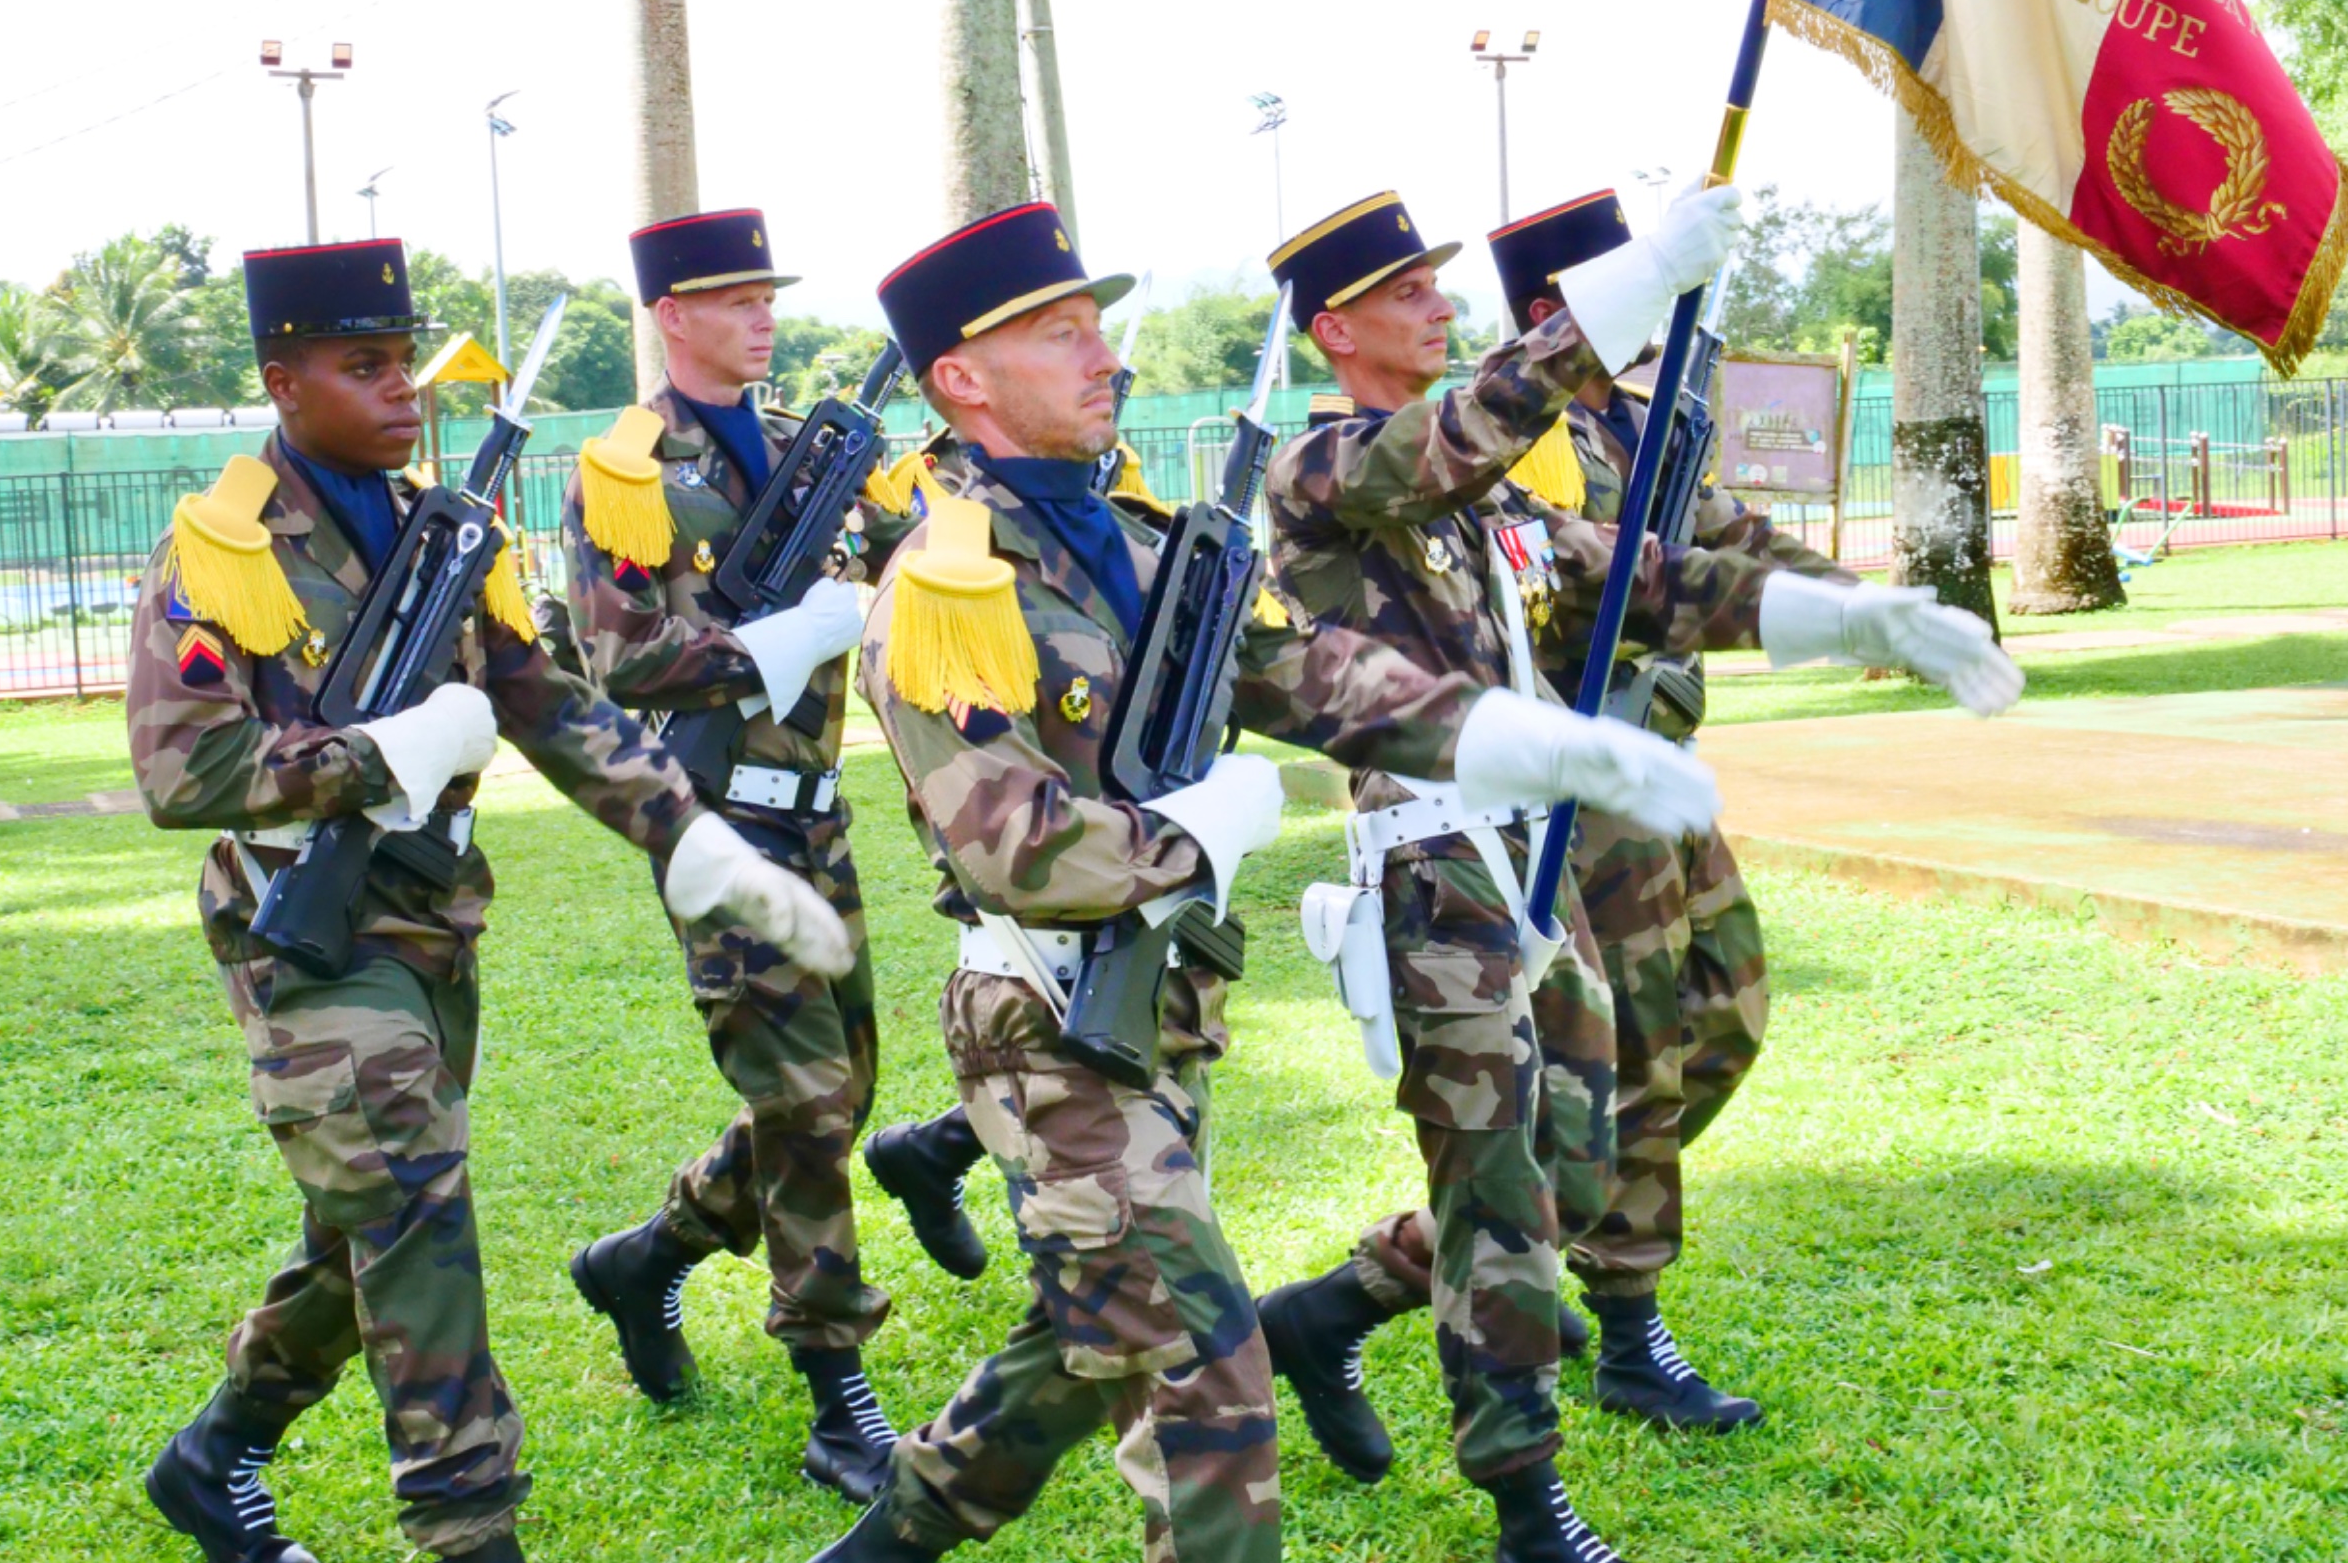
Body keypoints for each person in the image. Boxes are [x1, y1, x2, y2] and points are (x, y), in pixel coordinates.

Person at [808, 202, 1719, 1563]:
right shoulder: (947, 585)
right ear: (961, 378)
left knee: (1091, 1333)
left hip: (1164, 1007)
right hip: (1047, 1020)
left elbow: (1322, 678)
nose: (1104, 355)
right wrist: (1202, 833)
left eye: (1097, 326)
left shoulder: (1143, 541)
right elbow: (1014, 847)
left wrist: (1517, 736)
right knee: (1205, 1377)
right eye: (1058, 335)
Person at [1252, 190, 2021, 1562]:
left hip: (1533, 859)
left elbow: (1644, 580)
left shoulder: (1491, 506)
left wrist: (1854, 617)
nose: (1438, 303)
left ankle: (1327, 1314)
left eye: (1437, 283)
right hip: (1436, 871)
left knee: (1574, 1150)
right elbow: (1465, 428)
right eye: (1407, 290)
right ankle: (1527, 1505)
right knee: (1502, 1182)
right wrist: (1630, 288)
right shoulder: (1328, 471)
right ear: (1336, 329)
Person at [130, 238, 847, 1563]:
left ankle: (218, 1450)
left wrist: (691, 837)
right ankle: (468, 1528)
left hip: (431, 919)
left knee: (370, 1217)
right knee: (415, 1200)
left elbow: (554, 704)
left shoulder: (444, 534)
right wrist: (379, 753)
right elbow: (186, 773)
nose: (400, 391)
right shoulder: (220, 549)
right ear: (283, 382)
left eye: (405, 364)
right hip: (303, 929)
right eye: (363, 366)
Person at [557, 209, 955, 1501]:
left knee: (840, 1087)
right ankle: (839, 1397)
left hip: (817, 814)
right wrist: (776, 643)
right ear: (672, 315)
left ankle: (648, 1258)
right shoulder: (628, 471)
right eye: (735, 299)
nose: (763, 316)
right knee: (808, 1102)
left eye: (768, 295)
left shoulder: (810, 447)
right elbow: (620, 655)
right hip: (716, 821)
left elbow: (921, 561)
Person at [1480, 187, 1875, 1431]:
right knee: (1640, 1050)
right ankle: (1626, 1329)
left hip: (1659, 765)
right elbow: (1583, 587)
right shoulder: (1517, 439)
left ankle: (1518, 1220)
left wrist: (1857, 607)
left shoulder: (1641, 421)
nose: (1656, 294)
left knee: (1727, 1011)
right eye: (1632, 276)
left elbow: (1730, 533)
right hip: (1582, 783)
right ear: (1552, 309)